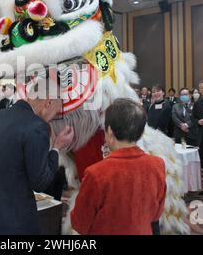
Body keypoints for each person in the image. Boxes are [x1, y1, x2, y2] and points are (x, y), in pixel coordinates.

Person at [0, 78, 74, 234]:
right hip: (13, 221)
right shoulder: (37, 126)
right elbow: (40, 182)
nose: (54, 117)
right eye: (56, 111)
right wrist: (57, 147)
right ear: (48, 103)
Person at [70, 98, 166, 235]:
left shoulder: (96, 173)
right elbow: (156, 214)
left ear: (109, 131)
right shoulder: (158, 164)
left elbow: (80, 224)